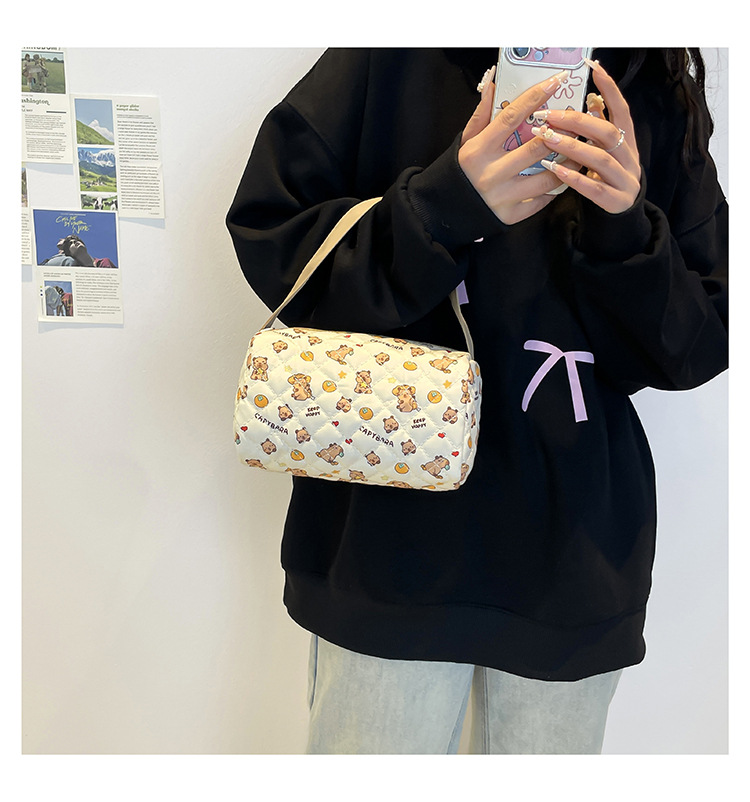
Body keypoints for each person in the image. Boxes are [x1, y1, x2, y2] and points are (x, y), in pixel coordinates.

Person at [226, 49, 728, 754]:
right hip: (386, 539)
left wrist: (624, 230)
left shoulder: (651, 84)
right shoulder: (391, 54)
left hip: (572, 552)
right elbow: (275, 241)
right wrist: (443, 207)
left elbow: (698, 345)